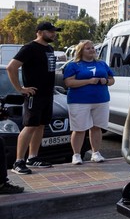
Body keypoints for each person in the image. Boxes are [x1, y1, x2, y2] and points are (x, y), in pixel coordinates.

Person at [6, 21, 62, 175]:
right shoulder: (29, 48)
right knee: (30, 126)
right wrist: (20, 89)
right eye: (50, 31)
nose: (53, 34)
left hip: (47, 95)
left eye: (54, 31)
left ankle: (32, 157)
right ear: (39, 32)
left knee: (40, 125)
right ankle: (19, 162)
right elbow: (11, 67)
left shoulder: (49, 48)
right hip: (34, 95)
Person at [63, 40, 114, 164]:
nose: (92, 50)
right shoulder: (73, 65)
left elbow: (112, 79)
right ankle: (76, 155)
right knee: (79, 129)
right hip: (79, 101)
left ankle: (96, 153)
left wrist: (105, 81)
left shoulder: (102, 64)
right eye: (88, 48)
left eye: (93, 48)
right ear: (81, 51)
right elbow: (69, 83)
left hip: (101, 100)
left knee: (97, 127)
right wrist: (89, 81)